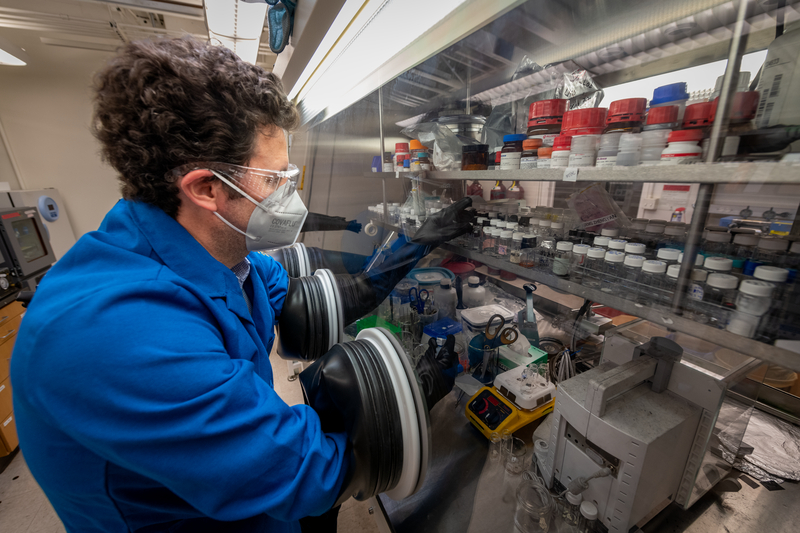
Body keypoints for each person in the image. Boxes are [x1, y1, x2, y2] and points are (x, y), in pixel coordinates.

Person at [11, 36, 471, 533]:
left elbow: (314, 297)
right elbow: (304, 474)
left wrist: (410, 246)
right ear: (207, 189)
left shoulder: (223, 260)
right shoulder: (117, 332)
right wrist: (408, 396)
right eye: (275, 180)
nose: (289, 197)